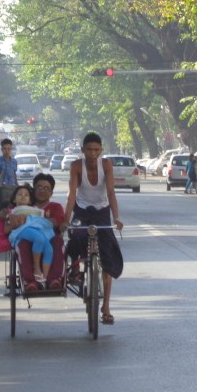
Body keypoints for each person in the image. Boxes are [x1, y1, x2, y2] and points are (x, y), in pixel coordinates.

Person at [63, 132, 124, 326]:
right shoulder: (75, 166)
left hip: (102, 211)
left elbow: (111, 191)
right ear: (82, 150)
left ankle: (105, 307)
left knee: (107, 256)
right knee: (76, 237)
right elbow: (71, 193)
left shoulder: (106, 165)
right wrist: (65, 219)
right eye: (89, 150)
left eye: (96, 150)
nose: (92, 154)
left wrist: (116, 217)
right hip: (82, 210)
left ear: (101, 151)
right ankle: (75, 268)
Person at [14, 173, 64, 290]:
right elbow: (11, 213)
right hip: (28, 238)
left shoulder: (56, 207)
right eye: (39, 187)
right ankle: (30, 281)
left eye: (46, 188)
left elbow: (56, 222)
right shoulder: (25, 203)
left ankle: (54, 280)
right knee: (23, 243)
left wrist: (31, 219)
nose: (42, 191)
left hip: (50, 238)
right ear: (34, 189)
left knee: (57, 241)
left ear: (51, 193)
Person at [3, 185, 55, 291]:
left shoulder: (35, 210)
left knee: (49, 249)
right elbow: (6, 229)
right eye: (20, 194)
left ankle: (43, 278)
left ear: (30, 200)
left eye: (26, 195)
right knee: (39, 238)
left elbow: (40, 221)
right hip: (21, 231)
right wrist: (15, 221)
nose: (23, 196)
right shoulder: (11, 212)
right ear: (14, 199)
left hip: (36, 229)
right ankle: (36, 268)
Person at [0, 138, 18, 221]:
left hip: (12, 188)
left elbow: (14, 174)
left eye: (9, 149)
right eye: (5, 149)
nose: (7, 151)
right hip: (2, 188)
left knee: (14, 207)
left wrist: (17, 185)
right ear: (1, 150)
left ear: (11, 149)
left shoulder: (14, 161)